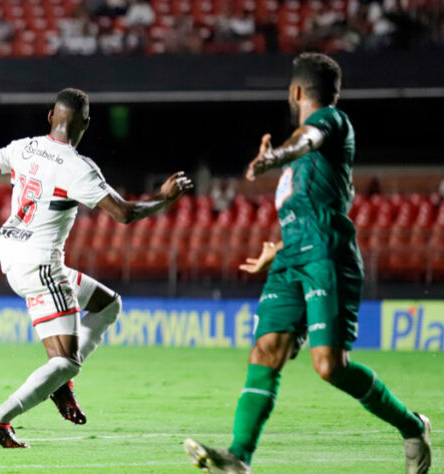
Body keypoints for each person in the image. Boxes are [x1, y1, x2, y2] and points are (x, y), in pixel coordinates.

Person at [0, 88, 193, 448]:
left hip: (12, 252)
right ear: (86, 123)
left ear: (51, 115)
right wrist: (163, 198)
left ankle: (58, 385)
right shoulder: (78, 167)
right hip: (40, 264)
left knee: (107, 304)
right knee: (67, 361)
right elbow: (124, 213)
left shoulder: (24, 147)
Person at [183, 53, 431, 474]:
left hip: (326, 256)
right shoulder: (305, 158)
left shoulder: (331, 122)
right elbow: (312, 201)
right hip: (292, 257)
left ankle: (413, 427)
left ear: (296, 92)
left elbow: (305, 139)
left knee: (329, 366)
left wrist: (278, 155)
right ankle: (239, 456)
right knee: (265, 349)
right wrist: (277, 250)